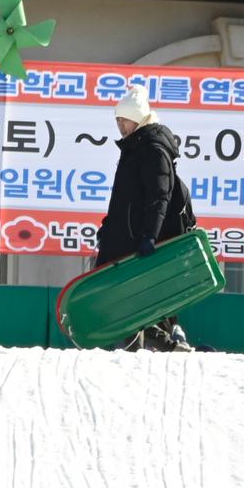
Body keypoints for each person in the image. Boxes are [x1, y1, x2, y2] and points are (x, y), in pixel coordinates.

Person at [95, 84, 197, 352]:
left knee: (131, 299)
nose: (119, 125)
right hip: (125, 237)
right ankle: (155, 343)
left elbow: (158, 197)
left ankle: (153, 345)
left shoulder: (152, 148)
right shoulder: (135, 146)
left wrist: (150, 236)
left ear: (137, 118)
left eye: (123, 119)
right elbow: (126, 200)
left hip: (137, 241)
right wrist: (108, 227)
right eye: (117, 119)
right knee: (125, 298)